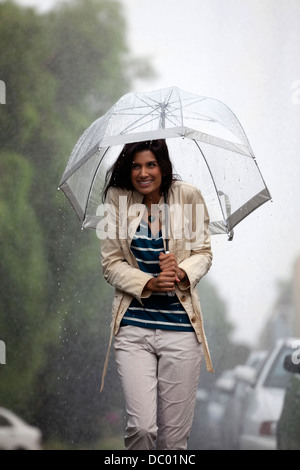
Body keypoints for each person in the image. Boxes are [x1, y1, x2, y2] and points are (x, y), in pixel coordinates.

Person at [100, 139, 213, 450]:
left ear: (163, 166)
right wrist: (148, 284)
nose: (143, 172)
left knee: (172, 442)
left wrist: (181, 271)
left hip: (180, 329)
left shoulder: (187, 196)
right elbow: (110, 264)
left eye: (150, 164)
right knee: (142, 428)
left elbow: (203, 252)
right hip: (133, 328)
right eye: (136, 165)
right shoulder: (117, 198)